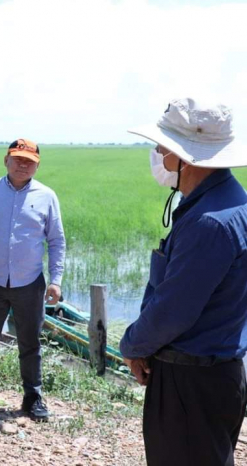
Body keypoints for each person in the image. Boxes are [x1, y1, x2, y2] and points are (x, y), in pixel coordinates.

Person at [120, 98, 247, 466]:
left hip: (190, 383)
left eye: (164, 146)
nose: (158, 154)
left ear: (185, 157)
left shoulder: (209, 222)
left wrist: (132, 345)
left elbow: (173, 310)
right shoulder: (230, 202)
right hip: (217, 374)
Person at [0, 139, 65, 421]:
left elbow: (56, 241)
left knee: (30, 343)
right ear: (6, 160)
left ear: (37, 166)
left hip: (30, 282)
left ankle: (33, 396)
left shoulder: (46, 196)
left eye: (29, 161)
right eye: (17, 159)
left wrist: (56, 280)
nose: (23, 165)